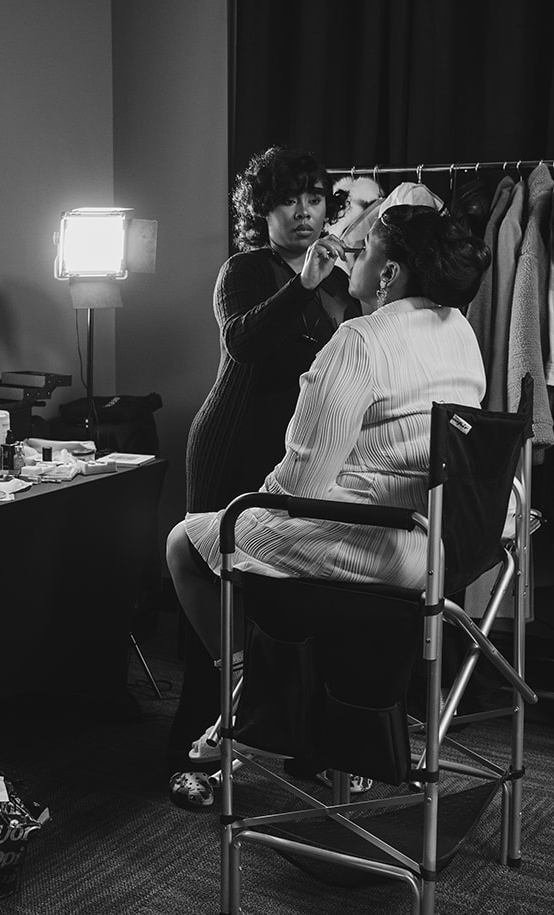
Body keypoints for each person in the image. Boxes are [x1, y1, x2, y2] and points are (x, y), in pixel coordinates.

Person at [166, 201, 491, 808]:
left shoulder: (361, 340)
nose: (353, 257)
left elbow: (303, 490)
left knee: (190, 542)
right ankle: (293, 712)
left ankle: (245, 695)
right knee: (255, 543)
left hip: (368, 542)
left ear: (389, 273)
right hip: (434, 545)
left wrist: (254, 504)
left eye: (365, 249)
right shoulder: (460, 331)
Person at [168, 146, 361, 780]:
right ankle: (193, 755)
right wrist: (300, 284)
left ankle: (274, 745)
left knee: (281, 602)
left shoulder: (339, 278)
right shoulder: (243, 270)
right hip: (229, 446)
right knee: (218, 592)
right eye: (288, 200)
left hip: (296, 455)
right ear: (263, 209)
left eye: (314, 199)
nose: (304, 213)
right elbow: (244, 344)